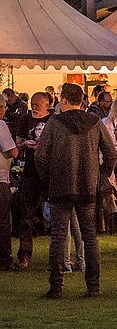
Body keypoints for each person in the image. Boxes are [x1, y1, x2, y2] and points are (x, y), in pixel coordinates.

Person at [34, 83, 117, 299]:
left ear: (63, 100)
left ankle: (56, 286)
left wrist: (48, 177)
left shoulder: (54, 123)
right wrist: (101, 175)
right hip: (88, 185)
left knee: (59, 237)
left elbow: (40, 155)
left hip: (60, 185)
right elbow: (111, 154)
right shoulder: (95, 122)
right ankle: (93, 286)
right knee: (90, 236)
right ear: (82, 100)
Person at [12, 91, 52, 270]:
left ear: (46, 104)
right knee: (26, 215)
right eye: (32, 104)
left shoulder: (53, 121)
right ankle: (25, 255)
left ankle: (58, 256)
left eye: (38, 104)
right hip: (29, 171)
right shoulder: (25, 120)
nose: (34, 107)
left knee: (55, 214)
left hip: (49, 173)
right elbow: (17, 143)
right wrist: (24, 144)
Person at [0, 93, 19, 271]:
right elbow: (12, 151)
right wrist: (21, 147)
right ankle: (4, 259)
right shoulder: (1, 125)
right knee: (3, 221)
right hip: (1, 180)